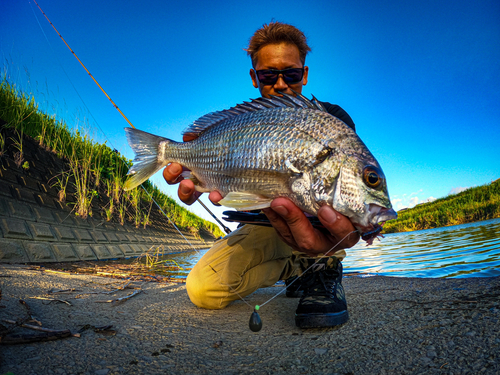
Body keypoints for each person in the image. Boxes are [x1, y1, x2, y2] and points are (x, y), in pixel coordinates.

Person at [163, 21, 360, 328]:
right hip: (263, 223)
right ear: (255, 77)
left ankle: (322, 265)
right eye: (269, 74)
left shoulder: (331, 121)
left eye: (291, 73)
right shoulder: (239, 126)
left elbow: (345, 191)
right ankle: (294, 270)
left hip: (315, 224)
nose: (280, 84)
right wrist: (198, 173)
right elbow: (218, 175)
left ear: (304, 75)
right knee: (203, 290)